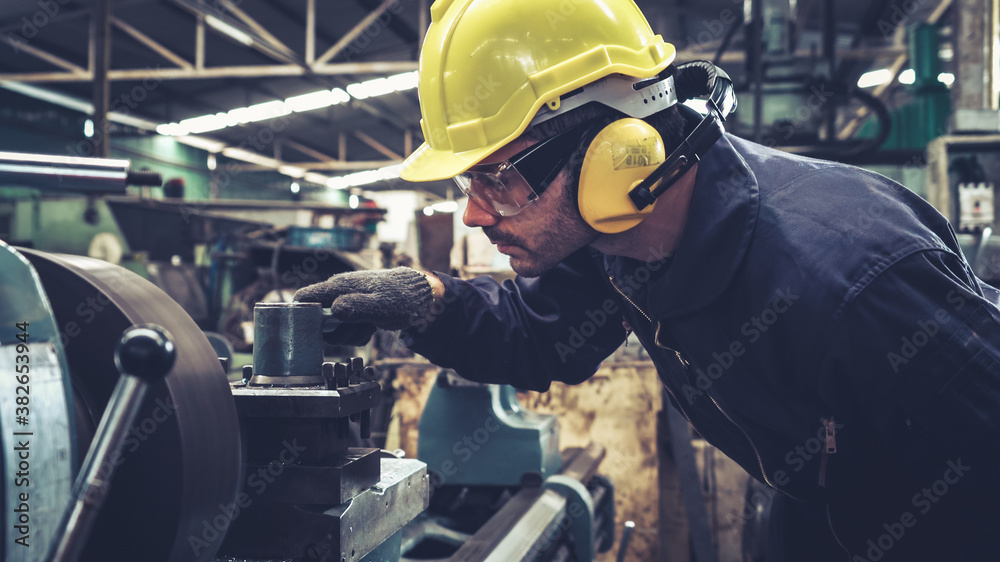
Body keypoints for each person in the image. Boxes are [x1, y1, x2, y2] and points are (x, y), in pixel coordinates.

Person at [294, 0, 1000, 559]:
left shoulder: (857, 281)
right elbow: (542, 337)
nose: (475, 213)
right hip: (813, 506)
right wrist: (427, 303)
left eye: (496, 178)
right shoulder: (621, 240)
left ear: (613, 150)